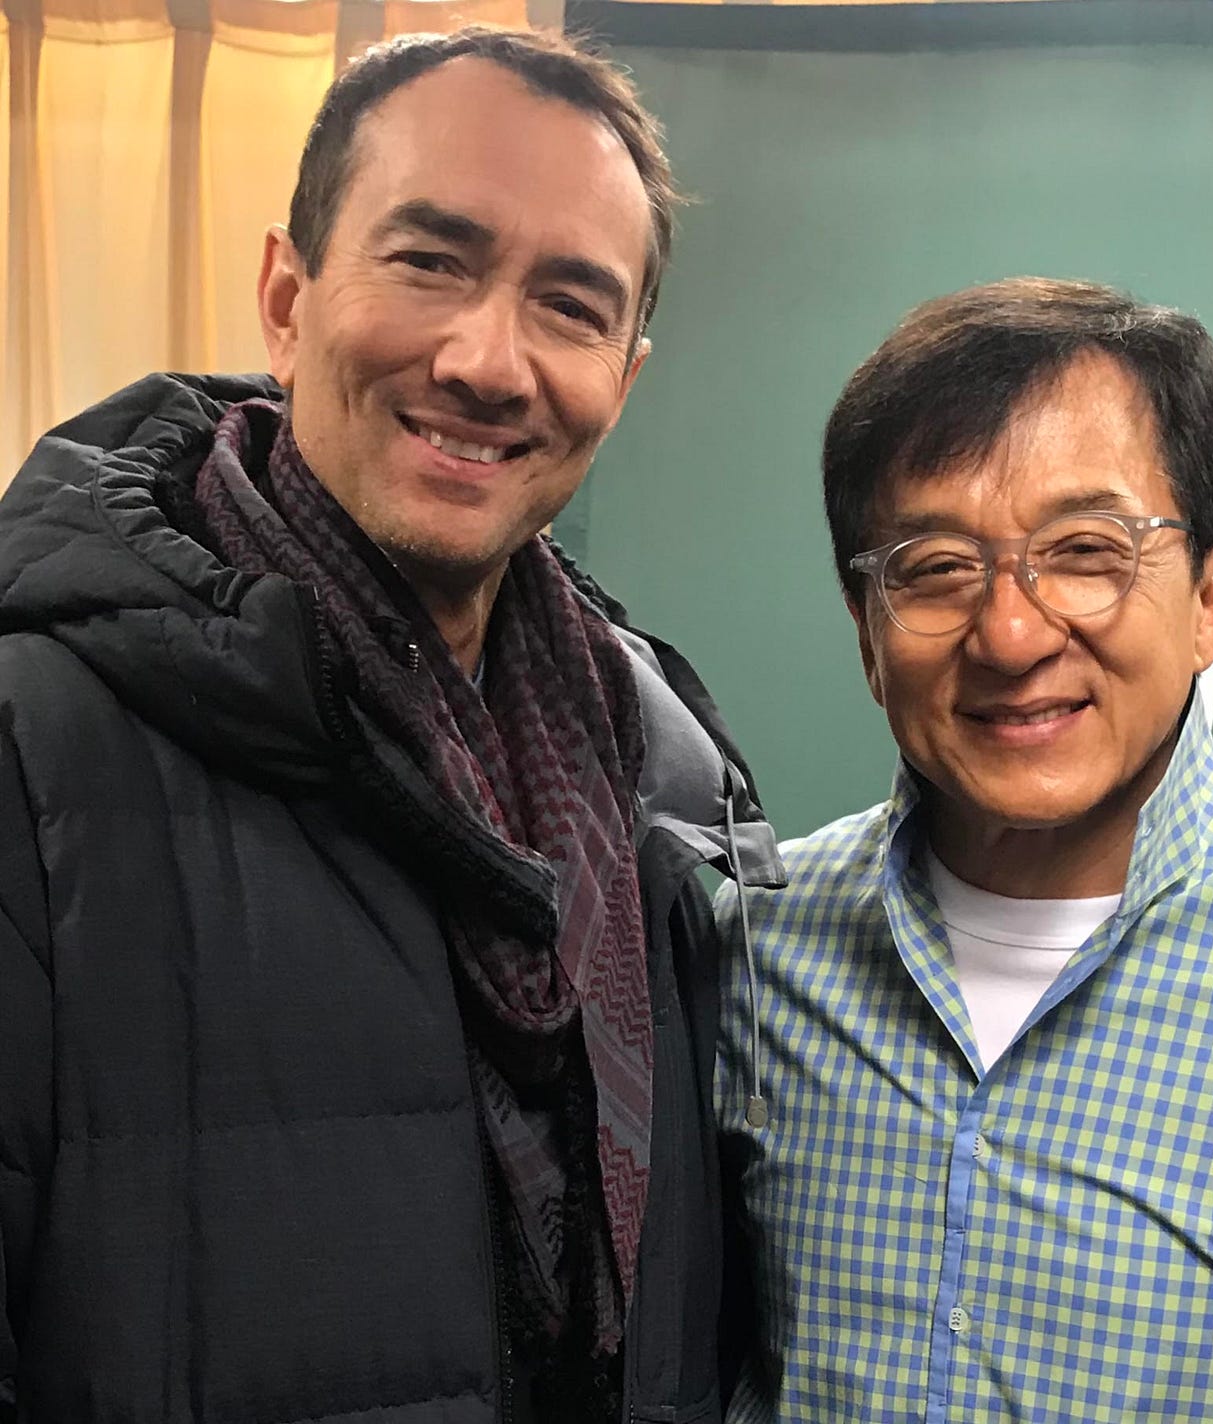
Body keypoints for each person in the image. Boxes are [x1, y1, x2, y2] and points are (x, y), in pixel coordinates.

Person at [0, 25, 784, 1423]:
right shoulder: (35, 746)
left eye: (570, 306)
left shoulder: (656, 775)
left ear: (623, 380)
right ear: (286, 295)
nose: (489, 361)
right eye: (429, 262)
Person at [716, 277, 1213, 1422]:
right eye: (935, 564)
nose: (1010, 631)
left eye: (1085, 550)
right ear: (866, 631)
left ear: (1206, 599)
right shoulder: (749, 942)